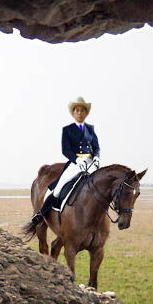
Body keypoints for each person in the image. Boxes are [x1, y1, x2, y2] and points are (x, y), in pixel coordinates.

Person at [30, 96, 101, 226]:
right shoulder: (67, 129)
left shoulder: (91, 129)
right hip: (75, 164)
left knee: (102, 186)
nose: (79, 113)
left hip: (90, 164)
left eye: (82, 110)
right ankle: (41, 214)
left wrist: (96, 156)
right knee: (57, 189)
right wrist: (76, 159)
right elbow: (65, 150)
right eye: (77, 110)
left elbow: (96, 147)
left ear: (86, 113)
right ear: (73, 113)